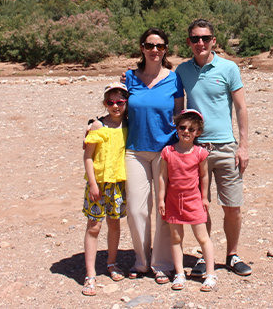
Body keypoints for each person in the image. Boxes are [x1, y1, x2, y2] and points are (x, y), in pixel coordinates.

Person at [175, 18, 252, 277]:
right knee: (200, 206)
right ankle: (203, 255)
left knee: (232, 206)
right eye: (195, 39)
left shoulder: (229, 68)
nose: (200, 43)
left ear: (213, 41)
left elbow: (241, 108)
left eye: (205, 38)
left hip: (226, 147)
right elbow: (175, 105)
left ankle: (232, 254)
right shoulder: (182, 71)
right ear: (189, 42)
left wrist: (244, 146)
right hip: (196, 149)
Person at [123, 28, 184, 283]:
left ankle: (161, 263)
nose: (154, 50)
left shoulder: (174, 78)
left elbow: (180, 115)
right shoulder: (129, 77)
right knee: (137, 210)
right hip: (135, 150)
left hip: (165, 150)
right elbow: (118, 109)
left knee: (163, 209)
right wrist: (97, 123)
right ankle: (141, 260)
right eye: (150, 45)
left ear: (166, 49)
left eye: (160, 45)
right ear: (142, 48)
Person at [158, 109, 217, 292]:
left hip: (193, 200)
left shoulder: (200, 153)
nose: (186, 132)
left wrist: (205, 197)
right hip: (174, 200)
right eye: (182, 127)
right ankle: (180, 273)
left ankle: (210, 273)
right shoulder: (168, 152)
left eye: (191, 129)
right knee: (176, 238)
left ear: (198, 132)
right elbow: (162, 177)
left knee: (202, 237)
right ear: (176, 128)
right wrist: (161, 199)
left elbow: (205, 176)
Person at [81, 82, 129, 296]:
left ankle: (111, 263)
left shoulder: (128, 124)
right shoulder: (98, 126)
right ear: (105, 103)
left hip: (118, 183)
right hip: (98, 184)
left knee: (114, 223)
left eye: (120, 102)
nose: (116, 106)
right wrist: (92, 183)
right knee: (94, 226)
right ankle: (90, 273)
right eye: (111, 102)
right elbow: (88, 156)